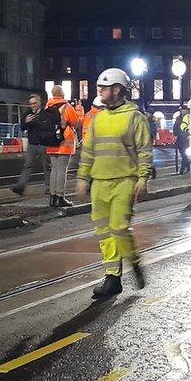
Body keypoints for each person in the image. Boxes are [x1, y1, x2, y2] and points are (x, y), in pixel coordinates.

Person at [76, 68, 152, 298]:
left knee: (118, 229)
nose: (99, 90)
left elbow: (144, 151)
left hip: (124, 181)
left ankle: (134, 262)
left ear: (117, 90)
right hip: (100, 182)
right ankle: (112, 278)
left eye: (104, 87)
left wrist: (142, 178)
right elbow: (88, 151)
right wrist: (82, 178)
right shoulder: (98, 119)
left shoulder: (134, 117)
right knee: (103, 231)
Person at [45, 85, 81, 207]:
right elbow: (76, 123)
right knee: (62, 171)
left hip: (51, 142)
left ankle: (52, 197)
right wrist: (79, 110)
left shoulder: (47, 106)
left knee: (54, 170)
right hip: (64, 143)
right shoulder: (66, 107)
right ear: (63, 94)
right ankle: (60, 197)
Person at [12, 94, 52, 199]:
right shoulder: (27, 113)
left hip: (44, 143)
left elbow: (49, 126)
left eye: (34, 103)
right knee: (27, 165)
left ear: (39, 102)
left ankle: (49, 188)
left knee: (47, 166)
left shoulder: (46, 113)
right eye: (31, 104)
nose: (32, 106)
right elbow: (22, 127)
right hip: (32, 143)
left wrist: (37, 122)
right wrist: (26, 122)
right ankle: (21, 187)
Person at [173, 106, 190, 174]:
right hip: (181, 141)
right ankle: (185, 167)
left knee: (185, 155)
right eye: (182, 110)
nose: (183, 111)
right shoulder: (178, 119)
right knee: (183, 155)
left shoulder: (189, 117)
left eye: (184, 110)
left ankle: (183, 169)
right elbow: (175, 128)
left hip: (188, 140)